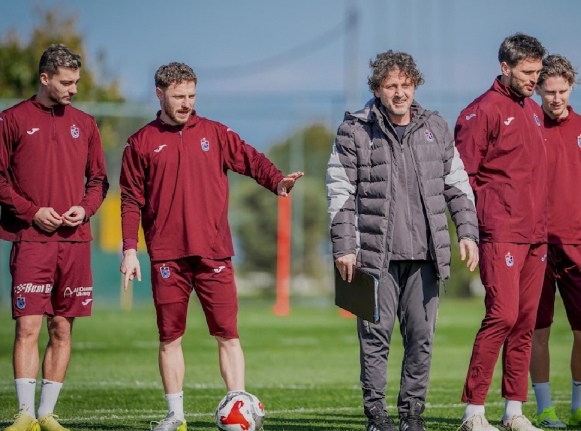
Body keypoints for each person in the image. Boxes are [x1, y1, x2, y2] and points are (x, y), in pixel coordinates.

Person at [119, 62, 303, 431]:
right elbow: (130, 199)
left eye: (191, 95)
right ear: (159, 94)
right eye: (178, 96)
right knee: (170, 337)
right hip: (167, 255)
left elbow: (250, 158)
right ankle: (175, 416)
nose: (186, 103)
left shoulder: (215, 133)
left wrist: (276, 181)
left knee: (228, 335)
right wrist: (129, 249)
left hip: (214, 252)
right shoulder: (141, 142)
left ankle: (239, 406)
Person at [326, 50, 479, 431]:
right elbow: (340, 191)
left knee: (421, 338)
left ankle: (412, 415)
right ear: (377, 89)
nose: (400, 92)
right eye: (391, 85)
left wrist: (467, 233)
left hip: (426, 257)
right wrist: (344, 247)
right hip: (373, 257)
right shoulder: (354, 130)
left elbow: (458, 186)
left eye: (406, 84)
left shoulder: (436, 127)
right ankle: (377, 416)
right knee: (374, 339)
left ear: (415, 86)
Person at [0, 44, 109, 431]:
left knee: (62, 328)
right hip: (31, 240)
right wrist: (32, 212)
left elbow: (99, 180)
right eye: (66, 82)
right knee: (27, 327)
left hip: (75, 242)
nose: (73, 89)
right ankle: (24, 414)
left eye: (76, 82)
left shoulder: (86, 123)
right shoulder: (11, 120)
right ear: (44, 78)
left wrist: (85, 209)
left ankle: (46, 414)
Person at [454, 33, 547, 431]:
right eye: (527, 72)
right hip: (500, 230)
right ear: (505, 67)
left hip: (536, 233)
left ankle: (513, 411)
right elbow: (461, 178)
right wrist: (471, 229)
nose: (534, 79)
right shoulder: (482, 111)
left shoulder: (535, 110)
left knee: (525, 322)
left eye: (537, 71)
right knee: (502, 315)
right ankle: (473, 411)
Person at [529, 54, 581, 429]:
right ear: (538, 90)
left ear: (571, 87)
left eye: (562, 91)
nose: (556, 98)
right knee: (538, 330)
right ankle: (545, 410)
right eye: (549, 92)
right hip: (536, 245)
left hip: (577, 244)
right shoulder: (527, 127)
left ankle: (579, 408)